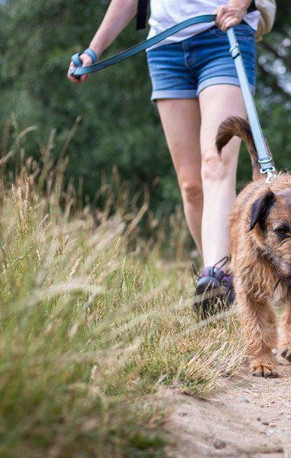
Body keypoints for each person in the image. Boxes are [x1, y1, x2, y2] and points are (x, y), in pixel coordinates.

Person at [67, 0, 260, 314]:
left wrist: (240, 4)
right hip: (165, 48)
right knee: (190, 185)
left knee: (216, 162)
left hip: (222, 37)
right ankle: (219, 286)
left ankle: (217, 270)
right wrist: (94, 49)